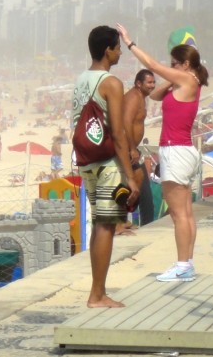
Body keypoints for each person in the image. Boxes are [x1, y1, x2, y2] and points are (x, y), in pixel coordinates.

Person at [117, 24, 207, 282]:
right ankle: (187, 263)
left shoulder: (188, 79)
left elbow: (153, 66)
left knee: (179, 214)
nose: (171, 67)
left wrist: (130, 43)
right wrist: (173, 75)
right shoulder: (189, 80)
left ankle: (182, 265)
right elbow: (155, 95)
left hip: (175, 151)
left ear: (185, 64)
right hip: (183, 150)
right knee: (187, 212)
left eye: (174, 64)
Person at [73, 26, 136, 308]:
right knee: (106, 226)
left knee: (100, 224)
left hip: (86, 162)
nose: (120, 51)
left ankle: (97, 291)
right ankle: (97, 294)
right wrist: (131, 176)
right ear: (107, 50)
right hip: (108, 165)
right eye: (117, 47)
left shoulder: (80, 79)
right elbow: (119, 134)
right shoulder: (111, 83)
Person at [123, 69, 157, 227]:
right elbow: (126, 122)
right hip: (126, 151)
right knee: (140, 194)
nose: (152, 85)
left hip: (132, 151)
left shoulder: (141, 97)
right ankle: (126, 224)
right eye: (149, 82)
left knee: (144, 196)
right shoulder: (134, 97)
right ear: (138, 83)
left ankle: (146, 227)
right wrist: (131, 148)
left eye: (153, 82)